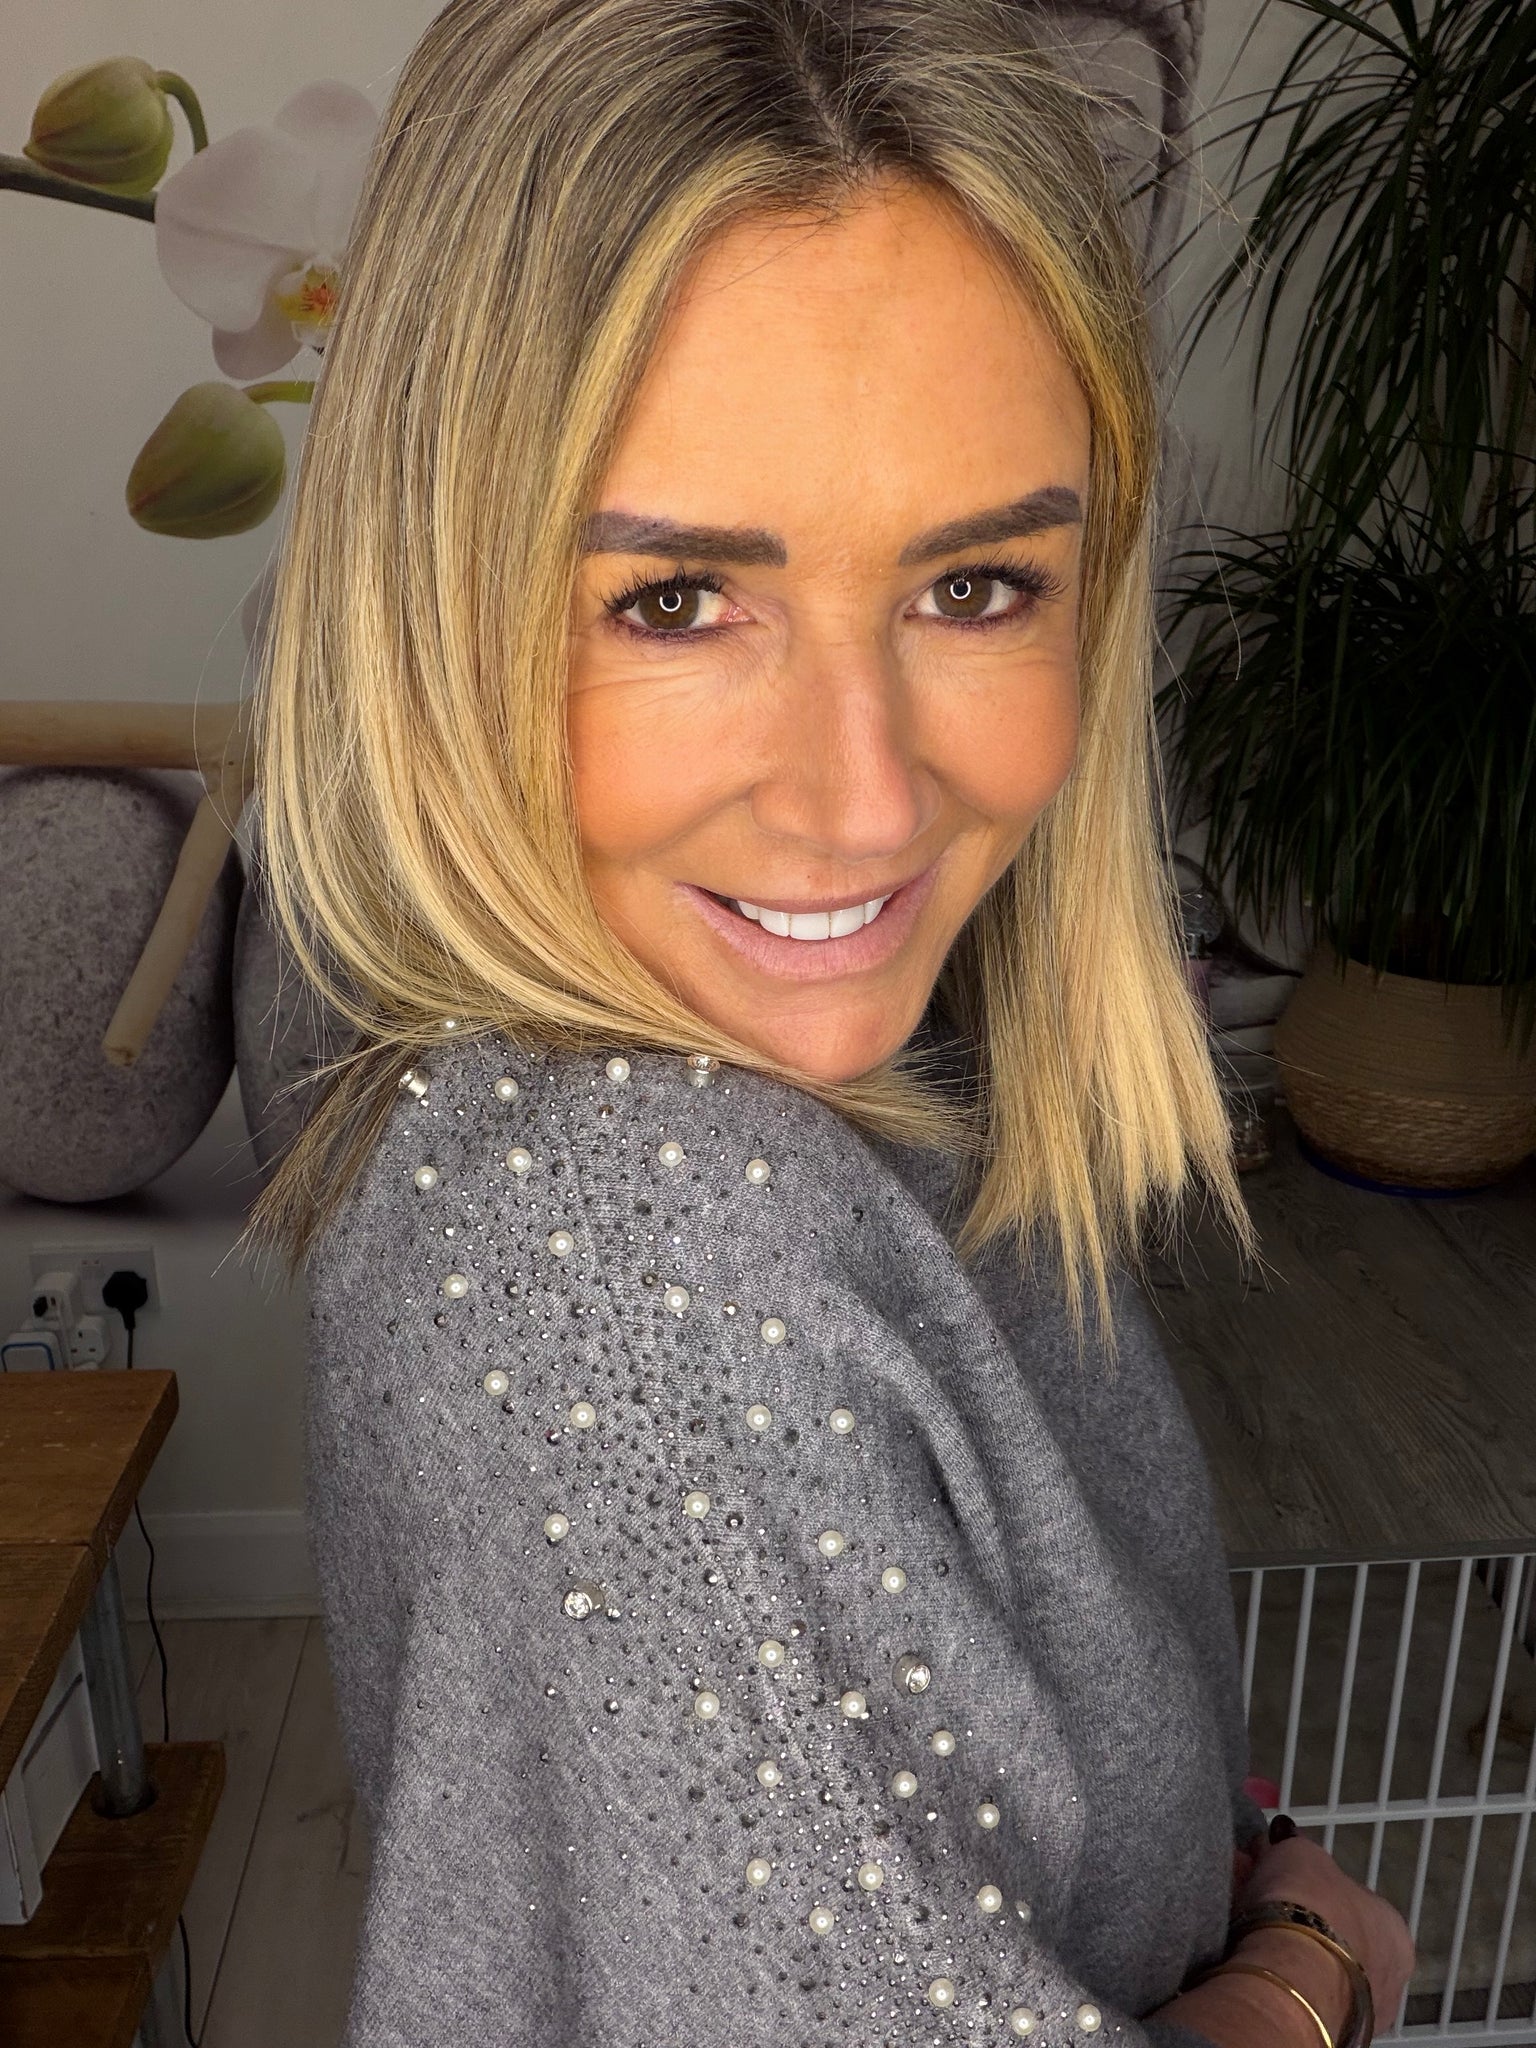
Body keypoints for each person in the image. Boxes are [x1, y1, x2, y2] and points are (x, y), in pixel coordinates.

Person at [244, 1, 1416, 2041]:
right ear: (442, 592)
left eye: (976, 588)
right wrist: (1315, 1981)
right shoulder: (666, 1268)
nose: (866, 802)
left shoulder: (833, 1065)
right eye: (676, 602)